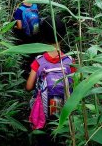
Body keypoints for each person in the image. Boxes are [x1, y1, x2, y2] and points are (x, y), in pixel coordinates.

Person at [26, 17, 75, 146]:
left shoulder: (39, 61)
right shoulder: (70, 62)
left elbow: (29, 86)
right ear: (63, 35)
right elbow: (76, 85)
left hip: (44, 110)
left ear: (42, 35)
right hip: (64, 109)